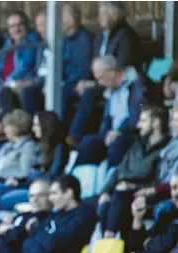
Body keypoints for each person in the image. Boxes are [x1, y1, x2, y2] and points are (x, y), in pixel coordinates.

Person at [67, 1, 141, 146]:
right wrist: (86, 80)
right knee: (66, 91)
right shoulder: (101, 37)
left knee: (89, 93)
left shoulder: (126, 35)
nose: (99, 18)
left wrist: (93, 82)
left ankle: (75, 136)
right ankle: (61, 136)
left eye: (102, 13)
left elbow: (119, 67)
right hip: (99, 78)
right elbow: (93, 63)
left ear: (114, 15)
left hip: (115, 82)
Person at [98, 105, 170, 239]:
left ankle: (109, 240)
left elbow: (160, 182)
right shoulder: (137, 144)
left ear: (156, 122)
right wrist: (106, 191)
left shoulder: (166, 149)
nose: (138, 125)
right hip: (123, 191)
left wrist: (133, 187)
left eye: (143, 121)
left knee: (120, 196)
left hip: (145, 194)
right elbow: (119, 169)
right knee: (105, 203)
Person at [73, 55, 145, 168]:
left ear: (112, 73)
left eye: (100, 78)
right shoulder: (110, 90)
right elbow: (107, 118)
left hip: (130, 133)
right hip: (113, 133)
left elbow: (135, 116)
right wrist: (105, 133)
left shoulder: (137, 84)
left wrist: (119, 131)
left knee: (116, 144)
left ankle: (111, 181)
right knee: (87, 143)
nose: (99, 83)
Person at [0, 10, 42, 109]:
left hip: (20, 82)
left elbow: (24, 66)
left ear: (27, 25)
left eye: (20, 24)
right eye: (12, 26)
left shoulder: (31, 41)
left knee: (2, 93)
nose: (16, 29)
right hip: (2, 83)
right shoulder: (9, 42)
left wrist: (8, 83)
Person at [22, 175, 97, 253]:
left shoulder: (85, 216)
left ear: (69, 193)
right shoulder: (57, 214)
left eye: (54, 193)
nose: (50, 198)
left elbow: (56, 243)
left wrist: (36, 230)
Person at [0, 178, 53, 253]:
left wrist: (8, 229)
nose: (35, 200)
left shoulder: (47, 219)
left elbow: (16, 238)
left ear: (50, 196)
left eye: (40, 195)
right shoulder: (25, 214)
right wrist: (0, 227)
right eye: (32, 196)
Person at [129, 172, 178, 253]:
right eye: (174, 188)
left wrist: (149, 243)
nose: (177, 193)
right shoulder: (166, 215)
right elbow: (137, 246)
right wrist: (137, 219)